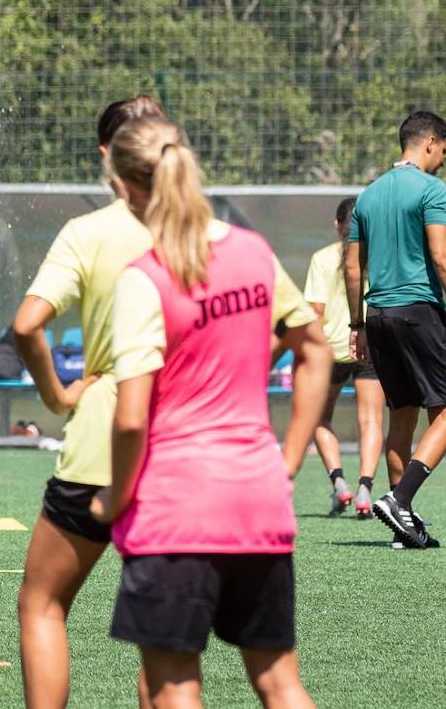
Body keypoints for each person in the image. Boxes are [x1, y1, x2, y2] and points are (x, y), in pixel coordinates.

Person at [90, 117, 331, 709]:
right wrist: (289, 458)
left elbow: (129, 419)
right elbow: (316, 349)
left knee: (174, 688)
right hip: (258, 496)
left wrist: (115, 497)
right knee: (280, 682)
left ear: (121, 186)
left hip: (176, 509)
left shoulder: (144, 280)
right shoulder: (253, 251)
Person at [11, 95, 166, 708]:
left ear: (108, 155)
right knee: (164, 643)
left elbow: (27, 326)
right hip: (183, 447)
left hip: (100, 444)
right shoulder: (213, 232)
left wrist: (59, 395)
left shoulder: (89, 233)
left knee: (42, 603)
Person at [346, 110, 446, 548]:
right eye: (443, 151)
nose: (442, 160)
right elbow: (441, 258)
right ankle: (400, 498)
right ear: (428, 144)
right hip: (419, 310)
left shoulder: (367, 196)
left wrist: (357, 324)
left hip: (378, 315)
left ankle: (404, 526)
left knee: (402, 412)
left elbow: (352, 268)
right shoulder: (432, 190)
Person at [303, 197, 386, 518]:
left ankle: (340, 485)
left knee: (319, 418)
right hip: (369, 346)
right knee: (371, 420)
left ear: (338, 225)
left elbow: (315, 312)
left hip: (330, 350)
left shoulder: (322, 259)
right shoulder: (375, 258)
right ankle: (365, 490)